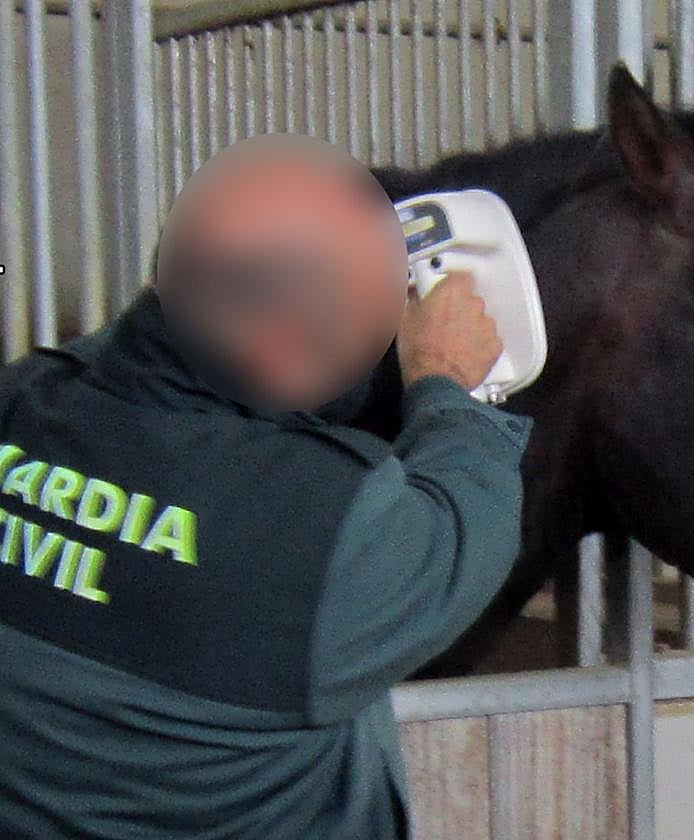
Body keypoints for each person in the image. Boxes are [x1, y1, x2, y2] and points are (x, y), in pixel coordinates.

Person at [0, 133, 532, 837]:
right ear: (281, 345)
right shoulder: (321, 525)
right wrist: (444, 379)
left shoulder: (24, 397)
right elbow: (466, 523)